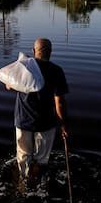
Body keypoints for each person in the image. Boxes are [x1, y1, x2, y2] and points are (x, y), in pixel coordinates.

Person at [5, 38, 69, 181]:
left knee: (23, 157)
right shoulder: (57, 71)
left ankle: (23, 183)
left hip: (23, 121)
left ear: (34, 51)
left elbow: (8, 86)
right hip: (46, 123)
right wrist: (63, 124)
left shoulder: (25, 67)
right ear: (50, 52)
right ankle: (40, 183)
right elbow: (59, 102)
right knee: (42, 159)